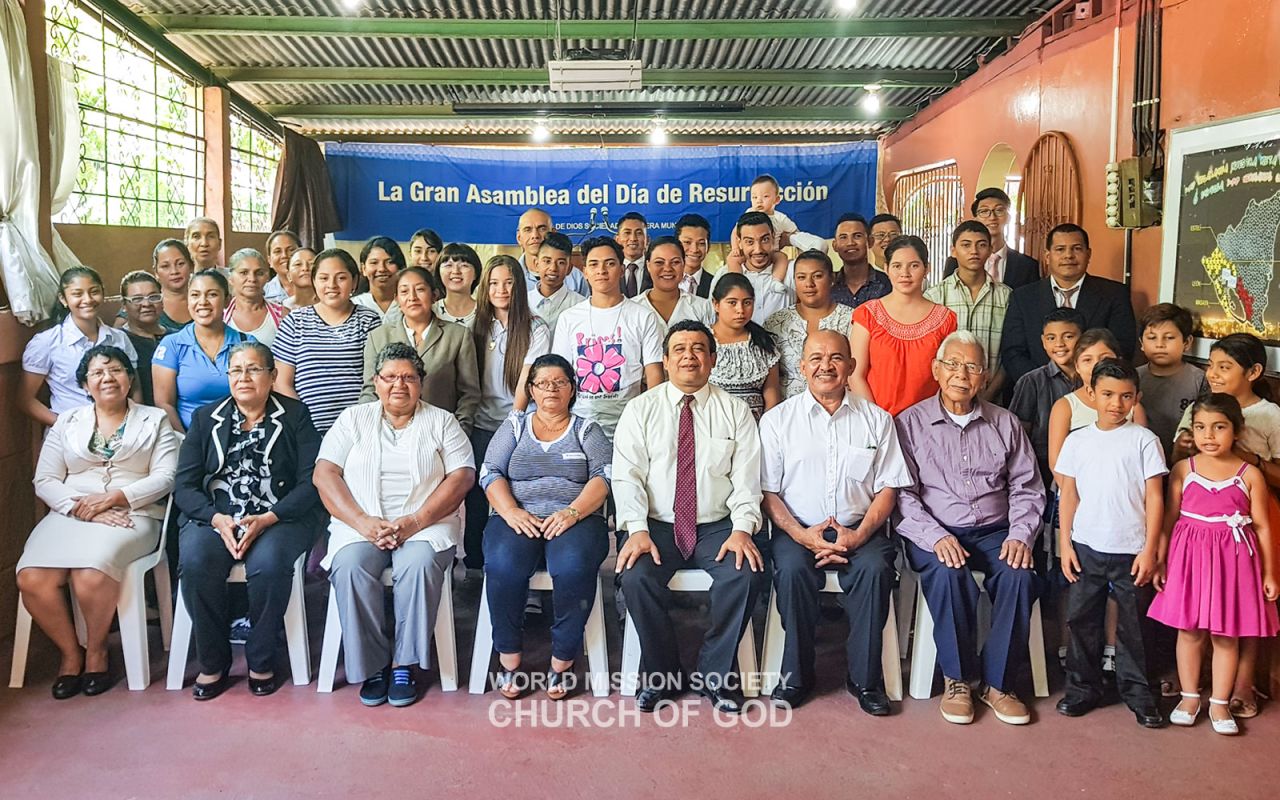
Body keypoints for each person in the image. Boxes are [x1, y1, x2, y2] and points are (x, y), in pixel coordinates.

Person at [613, 320, 764, 714]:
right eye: (679, 349)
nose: (689, 356)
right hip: (657, 525)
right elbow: (626, 476)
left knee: (744, 573)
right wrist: (637, 529)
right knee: (635, 576)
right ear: (664, 360)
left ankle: (715, 675)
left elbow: (748, 480)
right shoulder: (640, 410)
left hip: (718, 525)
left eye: (699, 349)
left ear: (713, 359)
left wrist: (743, 529)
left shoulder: (736, 411)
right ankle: (663, 675)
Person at [895, 331, 1045, 726]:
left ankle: (998, 684)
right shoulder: (910, 424)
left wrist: (1020, 535)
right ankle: (958, 679)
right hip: (937, 529)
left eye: (972, 367)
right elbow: (902, 496)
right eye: (952, 364)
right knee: (949, 574)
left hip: (996, 530)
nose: (961, 374)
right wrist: (936, 536)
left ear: (984, 376)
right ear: (936, 370)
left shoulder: (1006, 423)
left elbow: (1028, 487)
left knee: (1020, 574)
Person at [314, 343, 475, 708]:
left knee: (417, 565)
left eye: (408, 377)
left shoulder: (442, 421)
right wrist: (362, 521)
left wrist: (414, 521)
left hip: (427, 524)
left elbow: (462, 476)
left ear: (421, 382)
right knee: (351, 566)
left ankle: (404, 664)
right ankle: (373, 666)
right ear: (376, 382)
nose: (398, 385)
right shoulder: (352, 419)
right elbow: (324, 474)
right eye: (390, 377)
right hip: (361, 523)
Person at [760, 331, 912, 714]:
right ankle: (797, 675)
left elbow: (888, 488)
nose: (825, 366)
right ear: (801, 367)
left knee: (876, 569)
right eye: (815, 358)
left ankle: (865, 679)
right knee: (792, 572)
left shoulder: (877, 420)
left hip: (861, 528)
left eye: (835, 358)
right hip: (797, 530)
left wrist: (858, 536)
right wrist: (803, 536)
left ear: (851, 366)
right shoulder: (778, 421)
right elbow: (768, 492)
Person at [17, 345, 178, 698]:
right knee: (32, 577)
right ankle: (70, 653)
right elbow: (44, 480)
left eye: (116, 370)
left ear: (130, 378)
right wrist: (80, 507)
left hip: (132, 513)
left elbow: (167, 477)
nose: (108, 378)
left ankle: (96, 652)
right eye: (98, 373)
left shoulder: (155, 419)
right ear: (85, 384)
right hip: (72, 511)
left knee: (90, 573)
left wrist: (116, 498)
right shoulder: (67, 421)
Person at [172, 343, 323, 700]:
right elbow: (185, 486)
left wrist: (270, 517)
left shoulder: (296, 416)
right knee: (195, 562)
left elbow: (311, 482)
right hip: (217, 517)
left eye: (254, 369)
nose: (244, 377)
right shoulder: (206, 418)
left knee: (269, 565)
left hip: (279, 517)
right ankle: (212, 661)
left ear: (272, 376)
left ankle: (261, 657)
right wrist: (216, 519)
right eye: (236, 370)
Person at [478, 354, 612, 700]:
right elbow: (490, 471)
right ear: (531, 390)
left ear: (572, 389)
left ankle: (563, 661)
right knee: (504, 566)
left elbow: (605, 477)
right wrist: (509, 511)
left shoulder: (587, 430)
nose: (551, 388)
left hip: (575, 518)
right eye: (542, 383)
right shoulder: (515, 426)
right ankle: (509, 659)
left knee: (572, 568)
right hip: (517, 516)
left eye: (560, 382)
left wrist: (571, 512)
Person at [1149, 394, 1278, 734]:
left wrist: (1268, 572)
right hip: (1189, 560)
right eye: (1201, 427)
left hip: (1234, 562)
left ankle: (1220, 703)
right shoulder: (1183, 469)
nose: (1209, 435)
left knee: (1226, 634)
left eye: (1219, 427)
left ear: (1237, 430)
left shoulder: (1249, 474)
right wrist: (1161, 561)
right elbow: (1168, 520)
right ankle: (1190, 697)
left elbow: (1262, 526)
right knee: (1189, 631)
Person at [1170, 332, 1280, 719]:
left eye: (1224, 367)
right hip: (1199, 532)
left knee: (1239, 614)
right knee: (1196, 617)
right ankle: (1193, 688)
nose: (1214, 374)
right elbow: (1178, 475)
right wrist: (1183, 447)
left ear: (1253, 371)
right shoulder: (1199, 415)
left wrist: (1252, 461)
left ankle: (1238, 688)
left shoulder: (1268, 417)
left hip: (1249, 523)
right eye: (1211, 365)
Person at [1055, 358, 1166, 728]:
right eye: (1107, 395)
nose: (1116, 404)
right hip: (1086, 546)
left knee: (1134, 626)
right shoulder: (1078, 440)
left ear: (1136, 397)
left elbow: (1155, 497)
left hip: (1131, 549)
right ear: (1091, 394)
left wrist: (1150, 548)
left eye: (1125, 396)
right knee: (1081, 620)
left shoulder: (1144, 441)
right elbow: (1068, 494)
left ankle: (1138, 693)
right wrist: (1065, 545)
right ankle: (1082, 689)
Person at [463, 255, 550, 568]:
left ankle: (520, 562)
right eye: (495, 283)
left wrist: (512, 425)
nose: (502, 290)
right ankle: (476, 562)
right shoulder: (474, 326)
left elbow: (527, 380)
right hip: (479, 423)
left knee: (514, 494)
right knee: (476, 496)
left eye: (509, 282)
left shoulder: (535, 327)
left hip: (518, 424)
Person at [551, 236, 665, 441]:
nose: (601, 271)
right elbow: (560, 375)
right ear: (585, 271)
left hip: (629, 425)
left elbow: (654, 376)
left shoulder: (643, 316)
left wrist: (651, 423)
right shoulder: (569, 318)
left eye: (610, 264)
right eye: (594, 264)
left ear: (621, 270)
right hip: (579, 426)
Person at [1000, 224, 1137, 387]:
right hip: (1038, 393)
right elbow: (1013, 352)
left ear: (1089, 254)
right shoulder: (1023, 297)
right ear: (1047, 256)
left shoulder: (1114, 294)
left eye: (1076, 249)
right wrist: (1042, 384)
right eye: (1060, 249)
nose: (1068, 256)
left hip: (1096, 392)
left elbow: (1122, 347)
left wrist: (1089, 382)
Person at [271, 248, 382, 434]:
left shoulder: (369, 320)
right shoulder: (295, 321)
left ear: (354, 281)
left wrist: (360, 424)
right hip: (306, 430)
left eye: (341, 278)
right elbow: (282, 383)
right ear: (313, 281)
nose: (332, 285)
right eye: (323, 278)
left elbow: (376, 379)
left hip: (360, 428)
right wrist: (303, 424)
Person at [360, 267, 481, 434]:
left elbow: (469, 394)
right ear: (396, 299)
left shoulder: (458, 336)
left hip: (441, 433)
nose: (412, 297)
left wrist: (459, 431)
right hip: (389, 433)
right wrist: (366, 429)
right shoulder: (378, 337)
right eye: (404, 291)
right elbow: (370, 391)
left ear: (434, 295)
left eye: (420, 289)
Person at [850, 235, 957, 416]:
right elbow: (855, 375)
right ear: (886, 269)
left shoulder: (945, 319)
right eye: (897, 266)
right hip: (875, 421)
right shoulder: (867, 314)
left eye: (914, 265)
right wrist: (878, 421)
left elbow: (948, 378)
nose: (905, 273)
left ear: (926, 269)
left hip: (930, 423)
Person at [21, 267, 139, 426]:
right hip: (70, 432)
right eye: (77, 294)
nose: (88, 299)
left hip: (119, 429)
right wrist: (63, 427)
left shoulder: (119, 338)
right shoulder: (47, 342)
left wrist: (131, 424)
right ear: (63, 299)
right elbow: (25, 400)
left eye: (94, 291)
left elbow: (135, 387)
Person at [154, 270, 255, 433]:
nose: (202, 302)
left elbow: (258, 399)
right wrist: (186, 443)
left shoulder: (247, 343)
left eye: (212, 295)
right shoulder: (172, 345)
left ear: (227, 301)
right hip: (188, 438)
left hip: (241, 437)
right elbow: (164, 404)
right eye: (195, 295)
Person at [925, 221, 1011, 399]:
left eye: (981, 245)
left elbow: (1010, 352)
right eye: (966, 245)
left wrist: (989, 393)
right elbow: (928, 353)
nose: (974, 251)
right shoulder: (934, 297)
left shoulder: (1007, 297)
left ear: (990, 250)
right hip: (944, 396)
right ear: (953, 250)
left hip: (993, 398)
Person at [1047, 328, 1147, 476]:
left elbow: (1140, 458)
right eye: (1087, 360)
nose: (1096, 365)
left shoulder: (1132, 406)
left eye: (1104, 358)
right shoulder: (1065, 406)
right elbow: (1056, 463)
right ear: (1077, 366)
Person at [1009, 308, 1085, 488]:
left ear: (1083, 339)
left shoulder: (1092, 381)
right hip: (1040, 472)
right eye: (1051, 338)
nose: (1059, 344)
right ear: (1043, 342)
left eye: (1068, 336)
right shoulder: (1031, 382)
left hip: (1086, 467)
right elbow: (1019, 435)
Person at [765, 250, 853, 399]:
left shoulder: (853, 320)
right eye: (801, 277)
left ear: (832, 278)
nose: (809, 284)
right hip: (789, 414)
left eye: (817, 276)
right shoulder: (775, 323)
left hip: (841, 410)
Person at [1137, 303, 1207, 460]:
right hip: (1142, 461)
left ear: (1187, 342)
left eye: (1169, 338)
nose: (1160, 344)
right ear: (1141, 343)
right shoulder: (1133, 378)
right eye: (1152, 338)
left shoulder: (1200, 379)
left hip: (1186, 463)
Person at [708, 273, 782, 420]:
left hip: (756, 427)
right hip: (712, 425)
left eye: (747, 302)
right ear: (716, 304)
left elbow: (772, 395)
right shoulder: (703, 340)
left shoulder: (764, 342)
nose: (740, 310)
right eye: (732, 303)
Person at [942, 188, 1041, 290]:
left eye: (999, 210)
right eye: (984, 211)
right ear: (976, 219)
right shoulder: (956, 262)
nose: (992, 217)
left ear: (1008, 217)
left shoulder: (1027, 265)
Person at [711, 211, 795, 325]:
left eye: (765, 240)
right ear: (739, 243)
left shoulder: (792, 271)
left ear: (773, 237)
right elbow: (712, 319)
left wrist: (789, 239)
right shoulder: (724, 274)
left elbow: (819, 247)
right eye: (749, 242)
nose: (758, 249)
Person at [633, 237, 716, 330]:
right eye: (659, 262)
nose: (667, 268)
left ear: (683, 264)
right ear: (648, 266)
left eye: (675, 262)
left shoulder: (703, 307)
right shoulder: (632, 307)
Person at [117, 271, 166, 406]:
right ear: (124, 305)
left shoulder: (176, 338)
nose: (147, 304)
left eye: (154, 297)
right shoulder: (119, 342)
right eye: (137, 299)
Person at [224, 248, 288, 347]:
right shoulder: (220, 317)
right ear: (231, 278)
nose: (252, 279)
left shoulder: (282, 315)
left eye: (259, 273)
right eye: (244, 273)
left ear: (267, 278)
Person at [517, 207, 587, 295]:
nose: (535, 235)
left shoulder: (575, 277)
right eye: (528, 230)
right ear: (519, 238)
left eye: (542, 229)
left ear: (553, 233)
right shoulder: (509, 275)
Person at [748, 173, 826, 251]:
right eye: (754, 197)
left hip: (774, 254)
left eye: (765, 196)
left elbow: (796, 234)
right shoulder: (748, 213)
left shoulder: (781, 218)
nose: (759, 201)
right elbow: (736, 231)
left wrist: (787, 240)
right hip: (751, 255)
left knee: (782, 258)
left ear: (777, 199)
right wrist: (735, 247)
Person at [526, 231, 585, 332]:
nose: (553, 268)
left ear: (569, 268)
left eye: (561, 262)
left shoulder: (581, 305)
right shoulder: (523, 302)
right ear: (536, 264)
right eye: (547, 261)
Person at [830, 212, 891, 309]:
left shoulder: (888, 284)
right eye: (843, 237)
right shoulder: (828, 285)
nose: (850, 243)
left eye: (857, 236)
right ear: (835, 245)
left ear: (870, 242)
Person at [352, 236, 406, 321]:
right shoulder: (354, 305)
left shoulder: (410, 302)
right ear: (363, 269)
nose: (382, 269)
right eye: (374, 262)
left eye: (389, 262)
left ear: (401, 267)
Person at [151, 238, 195, 331]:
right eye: (165, 266)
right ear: (156, 272)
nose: (174, 271)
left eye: (180, 264)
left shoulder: (203, 301)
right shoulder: (147, 304)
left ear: (191, 266)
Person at [434, 242, 481, 328]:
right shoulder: (431, 312)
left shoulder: (486, 312)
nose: (456, 271)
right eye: (448, 265)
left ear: (476, 273)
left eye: (464, 265)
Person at [673, 213, 715, 297]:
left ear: (708, 247)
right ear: (676, 245)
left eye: (701, 243)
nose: (694, 250)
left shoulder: (715, 284)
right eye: (687, 242)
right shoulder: (664, 280)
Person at [262, 230, 301, 304]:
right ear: (269, 261)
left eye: (291, 250)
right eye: (277, 251)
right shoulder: (263, 293)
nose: (284, 255)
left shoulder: (317, 288)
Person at [617, 211, 649, 298]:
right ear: (617, 239)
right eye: (627, 233)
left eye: (639, 233)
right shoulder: (612, 269)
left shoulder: (655, 268)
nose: (633, 238)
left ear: (647, 240)